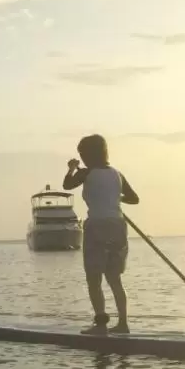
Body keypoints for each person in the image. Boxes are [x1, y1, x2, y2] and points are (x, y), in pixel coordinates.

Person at [63, 135, 140, 335]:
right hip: (118, 224)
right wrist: (113, 196)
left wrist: (71, 168)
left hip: (97, 225)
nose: (82, 158)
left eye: (82, 154)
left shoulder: (86, 173)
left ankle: (101, 325)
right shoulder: (117, 174)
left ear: (89, 154)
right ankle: (123, 324)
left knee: (94, 277)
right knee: (114, 278)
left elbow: (67, 185)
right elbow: (134, 199)